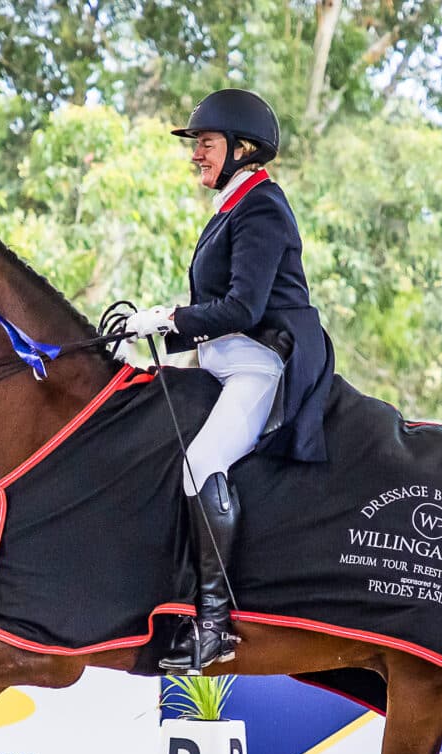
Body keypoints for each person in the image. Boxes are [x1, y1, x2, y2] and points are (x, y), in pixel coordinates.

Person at [123, 88, 335, 674]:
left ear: (243, 148)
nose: (197, 155)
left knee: (201, 465)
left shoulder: (262, 206)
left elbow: (242, 309)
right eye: (197, 146)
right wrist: (152, 336)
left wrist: (167, 318)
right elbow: (214, 312)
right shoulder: (231, 208)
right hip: (219, 359)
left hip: (260, 364)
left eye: (207, 144)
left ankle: (214, 626)